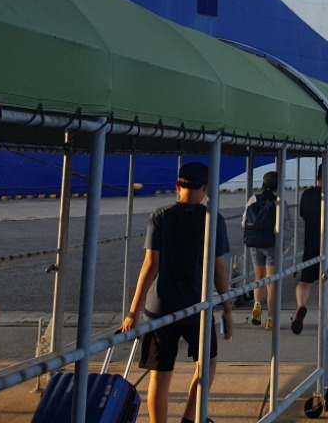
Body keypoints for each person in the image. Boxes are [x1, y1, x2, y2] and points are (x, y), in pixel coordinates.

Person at [121, 161, 233, 423]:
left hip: (160, 308)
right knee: (207, 364)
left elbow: (150, 265)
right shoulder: (212, 219)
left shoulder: (160, 215)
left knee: (160, 375)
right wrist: (227, 309)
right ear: (205, 187)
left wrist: (132, 312)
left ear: (177, 186)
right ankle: (190, 418)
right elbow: (218, 269)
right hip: (197, 307)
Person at [292, 163, 328, 334]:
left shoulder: (306, 195)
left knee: (305, 282)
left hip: (310, 244)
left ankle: (301, 305)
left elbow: (304, 216)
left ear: (317, 177)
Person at [241, 171, 290, 330]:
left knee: (258, 278)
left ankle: (256, 304)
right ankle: (270, 319)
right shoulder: (280, 202)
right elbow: (285, 225)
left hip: (255, 243)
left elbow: (244, 222)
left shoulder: (253, 199)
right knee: (272, 282)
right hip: (272, 244)